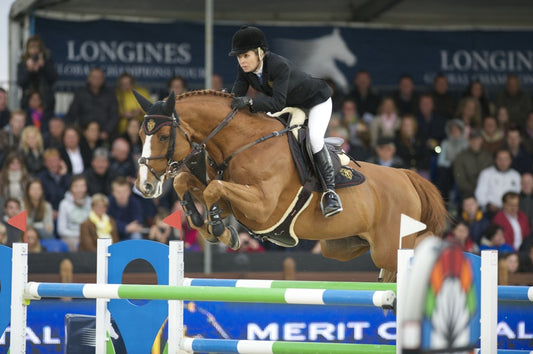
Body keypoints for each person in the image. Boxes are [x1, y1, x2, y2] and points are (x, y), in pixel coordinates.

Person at [228, 26, 342, 217]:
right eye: (239, 57)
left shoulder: (278, 66)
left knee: (314, 139)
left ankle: (331, 193)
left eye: (246, 56)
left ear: (260, 53)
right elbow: (236, 95)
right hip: (291, 105)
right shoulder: (245, 69)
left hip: (316, 101)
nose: (242, 61)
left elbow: (276, 102)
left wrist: (248, 101)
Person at [66, 67, 119, 141]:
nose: (96, 80)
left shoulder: (110, 94)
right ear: (88, 78)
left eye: (99, 77)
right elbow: (71, 114)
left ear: (103, 80)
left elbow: (114, 115)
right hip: (83, 134)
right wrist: (78, 132)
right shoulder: (81, 93)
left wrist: (106, 131)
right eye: (94, 77)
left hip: (105, 135)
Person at [16, 35, 57, 123]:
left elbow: (53, 79)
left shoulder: (47, 62)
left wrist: (43, 66)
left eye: (36, 47)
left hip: (45, 104)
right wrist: (29, 70)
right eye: (32, 47)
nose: (34, 50)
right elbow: (20, 82)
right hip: (27, 104)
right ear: (27, 49)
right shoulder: (23, 64)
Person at [475, 148, 521, 215]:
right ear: (495, 160)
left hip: (511, 211)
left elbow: (518, 193)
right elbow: (480, 193)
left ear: (510, 160)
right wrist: (488, 205)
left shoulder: (516, 175)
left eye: (506, 159)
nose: (503, 162)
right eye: (500, 159)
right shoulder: (486, 173)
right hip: (490, 211)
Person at [453, 129, 493, 202]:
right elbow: (460, 179)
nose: (475, 142)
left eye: (477, 139)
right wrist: (475, 192)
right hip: (467, 194)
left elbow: (491, 177)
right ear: (469, 140)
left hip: (486, 194)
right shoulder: (461, 157)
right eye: (472, 139)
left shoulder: (488, 157)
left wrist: (482, 192)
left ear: (481, 140)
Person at [436, 119, 468, 202]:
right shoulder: (445, 143)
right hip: (448, 170)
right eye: (452, 129)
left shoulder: (466, 144)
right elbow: (441, 161)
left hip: (463, 170)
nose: (454, 131)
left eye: (457, 129)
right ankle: (445, 200)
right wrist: (452, 164)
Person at [57, 174, 91, 251]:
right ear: (71, 188)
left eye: (82, 186)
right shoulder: (64, 204)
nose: (79, 189)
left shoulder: (90, 202)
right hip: (70, 237)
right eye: (76, 186)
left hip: (88, 236)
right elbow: (61, 230)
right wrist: (80, 235)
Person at [38, 148, 71, 218]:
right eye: (50, 161)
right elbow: (41, 198)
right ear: (45, 163)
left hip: (67, 211)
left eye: (55, 160)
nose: (53, 164)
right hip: (49, 212)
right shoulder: (41, 178)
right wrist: (50, 210)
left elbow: (70, 193)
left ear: (60, 161)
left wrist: (64, 176)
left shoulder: (67, 176)